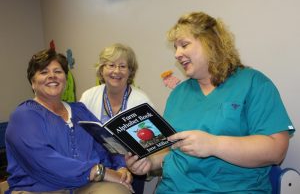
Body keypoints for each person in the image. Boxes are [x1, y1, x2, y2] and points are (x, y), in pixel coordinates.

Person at [125, 11, 295, 194]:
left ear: (211, 43)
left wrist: (215, 145)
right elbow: (171, 151)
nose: (177, 54)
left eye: (184, 45)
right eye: (175, 48)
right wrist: (149, 163)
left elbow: (276, 150)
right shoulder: (179, 94)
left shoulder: (254, 83)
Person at [5, 48, 134, 194]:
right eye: (44, 72)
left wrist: (120, 167)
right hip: (39, 188)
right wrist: (98, 171)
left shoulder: (80, 110)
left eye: (58, 71)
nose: (52, 76)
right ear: (33, 83)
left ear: (65, 79)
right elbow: (45, 162)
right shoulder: (23, 116)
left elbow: (108, 141)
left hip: (85, 185)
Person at [80, 43, 153, 194]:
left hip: (131, 171)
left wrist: (126, 166)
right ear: (102, 69)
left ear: (130, 71)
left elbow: (151, 143)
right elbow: (81, 135)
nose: (116, 71)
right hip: (97, 169)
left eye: (122, 66)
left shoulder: (141, 100)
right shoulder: (88, 96)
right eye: (111, 65)